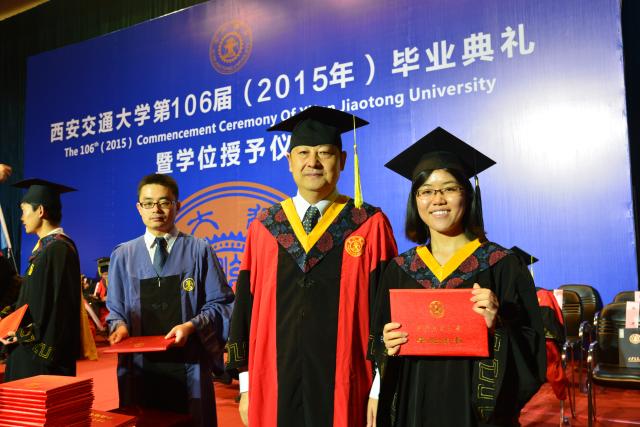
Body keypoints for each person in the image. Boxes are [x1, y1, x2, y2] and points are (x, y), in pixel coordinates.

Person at [226, 106, 398, 427]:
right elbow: (245, 310)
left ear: (342, 160)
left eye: (325, 153)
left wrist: (379, 387)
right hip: (273, 385)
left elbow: (386, 311)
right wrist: (247, 386)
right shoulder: (265, 227)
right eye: (303, 152)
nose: (313, 162)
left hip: (348, 385)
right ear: (289, 161)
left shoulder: (369, 224)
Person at [369, 127, 546, 426]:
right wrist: (387, 348)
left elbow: (534, 348)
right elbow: (378, 343)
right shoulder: (399, 269)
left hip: (473, 413)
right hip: (415, 406)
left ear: (468, 194)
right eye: (426, 191)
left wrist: (498, 326)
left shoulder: (502, 265)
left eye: (449, 188)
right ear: (415, 200)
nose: (437, 199)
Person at [106, 173, 234, 427]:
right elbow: (115, 309)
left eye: (164, 202)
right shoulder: (123, 255)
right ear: (139, 208)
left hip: (188, 364)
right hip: (139, 368)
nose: (156, 209)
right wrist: (119, 326)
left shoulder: (199, 250)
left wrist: (191, 326)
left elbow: (221, 303)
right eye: (148, 203)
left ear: (178, 205)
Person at [1, 178, 81, 380]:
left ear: (40, 211)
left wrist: (25, 337)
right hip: (28, 349)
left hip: (41, 358)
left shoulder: (58, 249)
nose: (22, 218)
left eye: (24, 210)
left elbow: (58, 308)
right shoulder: (45, 249)